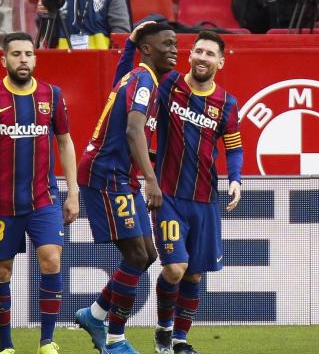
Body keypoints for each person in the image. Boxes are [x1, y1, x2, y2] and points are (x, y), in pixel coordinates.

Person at [116, 27, 243, 354]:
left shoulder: (227, 103)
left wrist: (237, 179)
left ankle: (180, 340)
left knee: (195, 275)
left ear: (221, 62)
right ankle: (164, 330)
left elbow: (234, 147)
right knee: (174, 268)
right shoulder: (168, 83)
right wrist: (130, 45)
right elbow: (125, 81)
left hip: (205, 200)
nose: (203, 57)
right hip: (168, 195)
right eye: (198, 51)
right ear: (190, 55)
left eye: (210, 53)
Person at [0, 32, 80, 354]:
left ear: (36, 58)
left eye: (28, 53)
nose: (23, 59)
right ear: (4, 60)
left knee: (52, 259)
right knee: (2, 271)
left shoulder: (52, 95)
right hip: (1, 201)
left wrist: (73, 192)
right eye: (16, 54)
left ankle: (47, 342)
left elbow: (66, 142)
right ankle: (6, 346)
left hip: (44, 198)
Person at [74, 22, 177, 354]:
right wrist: (151, 180)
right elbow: (134, 131)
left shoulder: (134, 76)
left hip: (121, 176)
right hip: (107, 175)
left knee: (146, 255)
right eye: (167, 44)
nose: (175, 49)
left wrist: (131, 43)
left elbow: (123, 69)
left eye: (176, 44)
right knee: (135, 254)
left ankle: (94, 315)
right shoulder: (143, 79)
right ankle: (115, 339)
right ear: (148, 50)